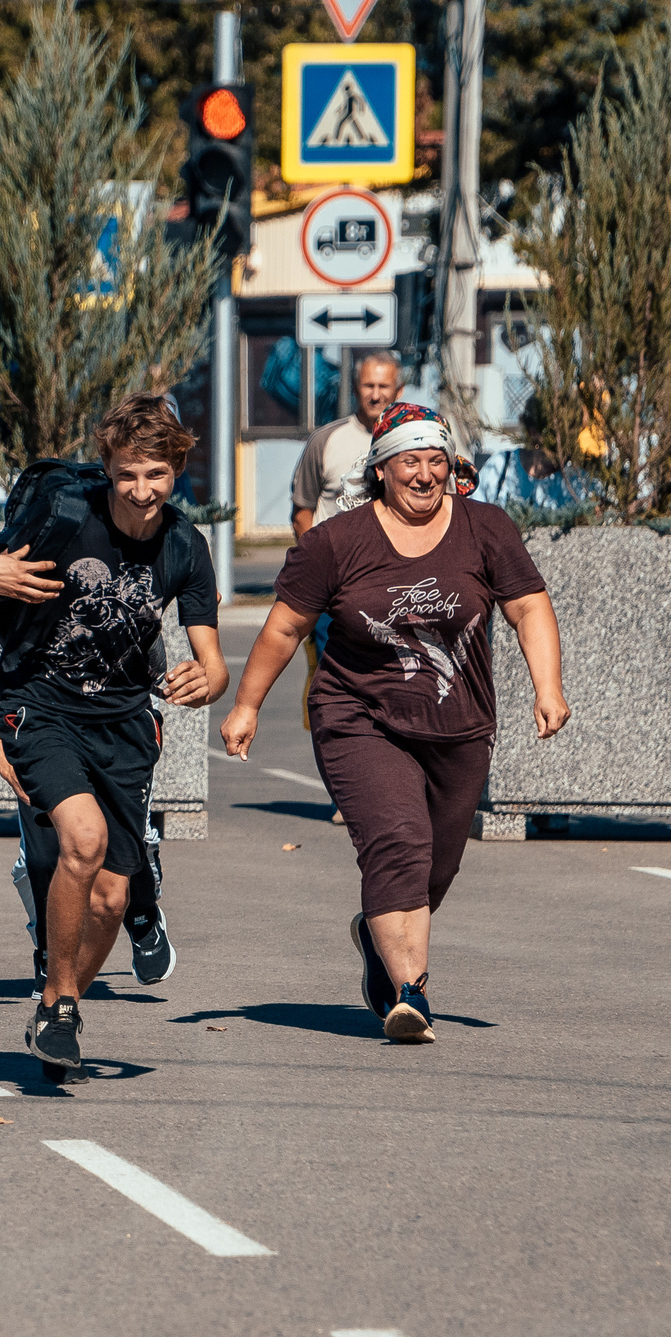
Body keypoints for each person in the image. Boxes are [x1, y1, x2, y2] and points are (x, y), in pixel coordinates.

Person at [221, 401, 568, 1042]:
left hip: (459, 725)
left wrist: (548, 686)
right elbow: (286, 628)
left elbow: (528, 607)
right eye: (410, 460)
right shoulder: (337, 542)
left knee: (435, 867)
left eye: (437, 461)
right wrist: (246, 705)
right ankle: (412, 991)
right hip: (360, 716)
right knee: (398, 846)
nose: (425, 474)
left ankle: (376, 939)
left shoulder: (485, 528)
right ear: (382, 469)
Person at [0, 393, 228, 1072]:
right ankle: (59, 1005)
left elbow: (213, 660)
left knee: (111, 893)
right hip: (42, 709)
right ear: (107, 468)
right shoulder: (66, 522)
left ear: (177, 472)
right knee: (84, 838)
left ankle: (59, 1003)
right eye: (128, 474)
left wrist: (210, 680)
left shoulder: (186, 548)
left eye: (156, 475)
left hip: (125, 728)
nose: (142, 491)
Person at [0, 613, 176, 989]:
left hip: (114, 740)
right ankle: (51, 954)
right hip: (44, 739)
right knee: (42, 857)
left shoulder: (122, 596)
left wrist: (203, 677)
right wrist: (11, 769)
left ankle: (141, 913)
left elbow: (159, 681)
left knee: (120, 849)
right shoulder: (16, 598)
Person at [291, 353, 403, 537]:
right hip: (335, 562)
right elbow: (301, 514)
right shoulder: (324, 440)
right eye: (368, 386)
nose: (375, 395)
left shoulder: (411, 443)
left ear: (399, 390)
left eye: (383, 386)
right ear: (355, 388)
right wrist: (317, 560)